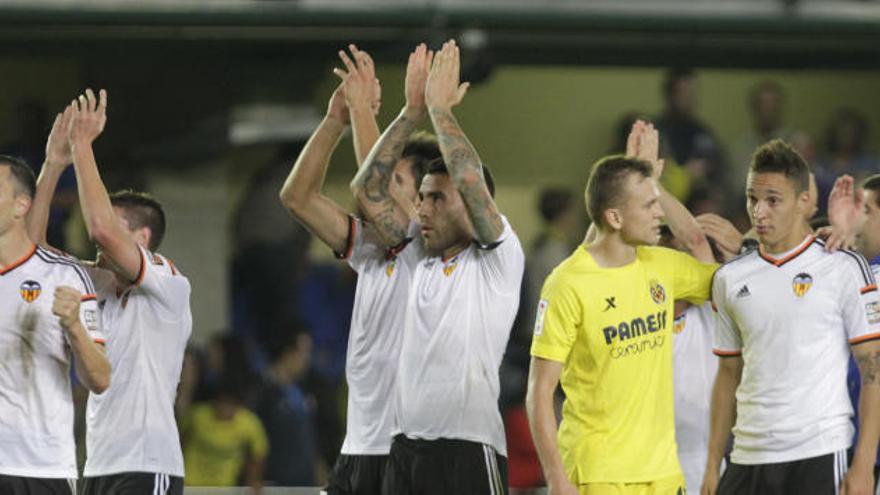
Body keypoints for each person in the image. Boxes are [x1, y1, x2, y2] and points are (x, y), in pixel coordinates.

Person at [351, 39, 524, 494]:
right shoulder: (415, 251)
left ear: (470, 205)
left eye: (436, 198)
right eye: (422, 196)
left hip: (468, 447)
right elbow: (367, 189)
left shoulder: (498, 259)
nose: (422, 208)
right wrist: (410, 112)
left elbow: (468, 177)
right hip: (404, 448)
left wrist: (441, 111)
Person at [279, 44, 440, 494]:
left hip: (405, 450)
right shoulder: (372, 247)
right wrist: (335, 121)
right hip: (359, 447)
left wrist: (366, 109)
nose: (386, 184)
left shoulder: (429, 250)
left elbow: (372, 190)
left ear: (425, 199)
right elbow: (296, 198)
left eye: (399, 181)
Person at [526, 121, 717, 495]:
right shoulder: (568, 283)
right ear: (614, 217)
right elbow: (539, 392)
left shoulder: (662, 265)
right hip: (599, 474)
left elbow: (700, 247)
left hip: (663, 474)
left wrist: (650, 183)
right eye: (649, 205)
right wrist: (556, 478)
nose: (658, 212)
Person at [28, 90, 192, 494]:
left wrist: (82, 145)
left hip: (148, 462)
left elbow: (99, 227)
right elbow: (30, 252)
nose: (102, 241)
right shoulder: (96, 281)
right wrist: (53, 165)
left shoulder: (168, 281)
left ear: (142, 237)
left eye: (118, 229)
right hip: (98, 465)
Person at [701, 140, 880, 495]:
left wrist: (862, 466)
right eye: (753, 199)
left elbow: (872, 370)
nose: (759, 212)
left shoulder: (842, 267)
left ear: (803, 202)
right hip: (747, 455)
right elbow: (727, 375)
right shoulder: (729, 279)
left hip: (819, 452)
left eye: (773, 200)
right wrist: (711, 465)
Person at [0, 154, 109, 494]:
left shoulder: (63, 275)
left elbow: (100, 379)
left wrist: (75, 325)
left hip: (41, 465)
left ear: (22, 205)